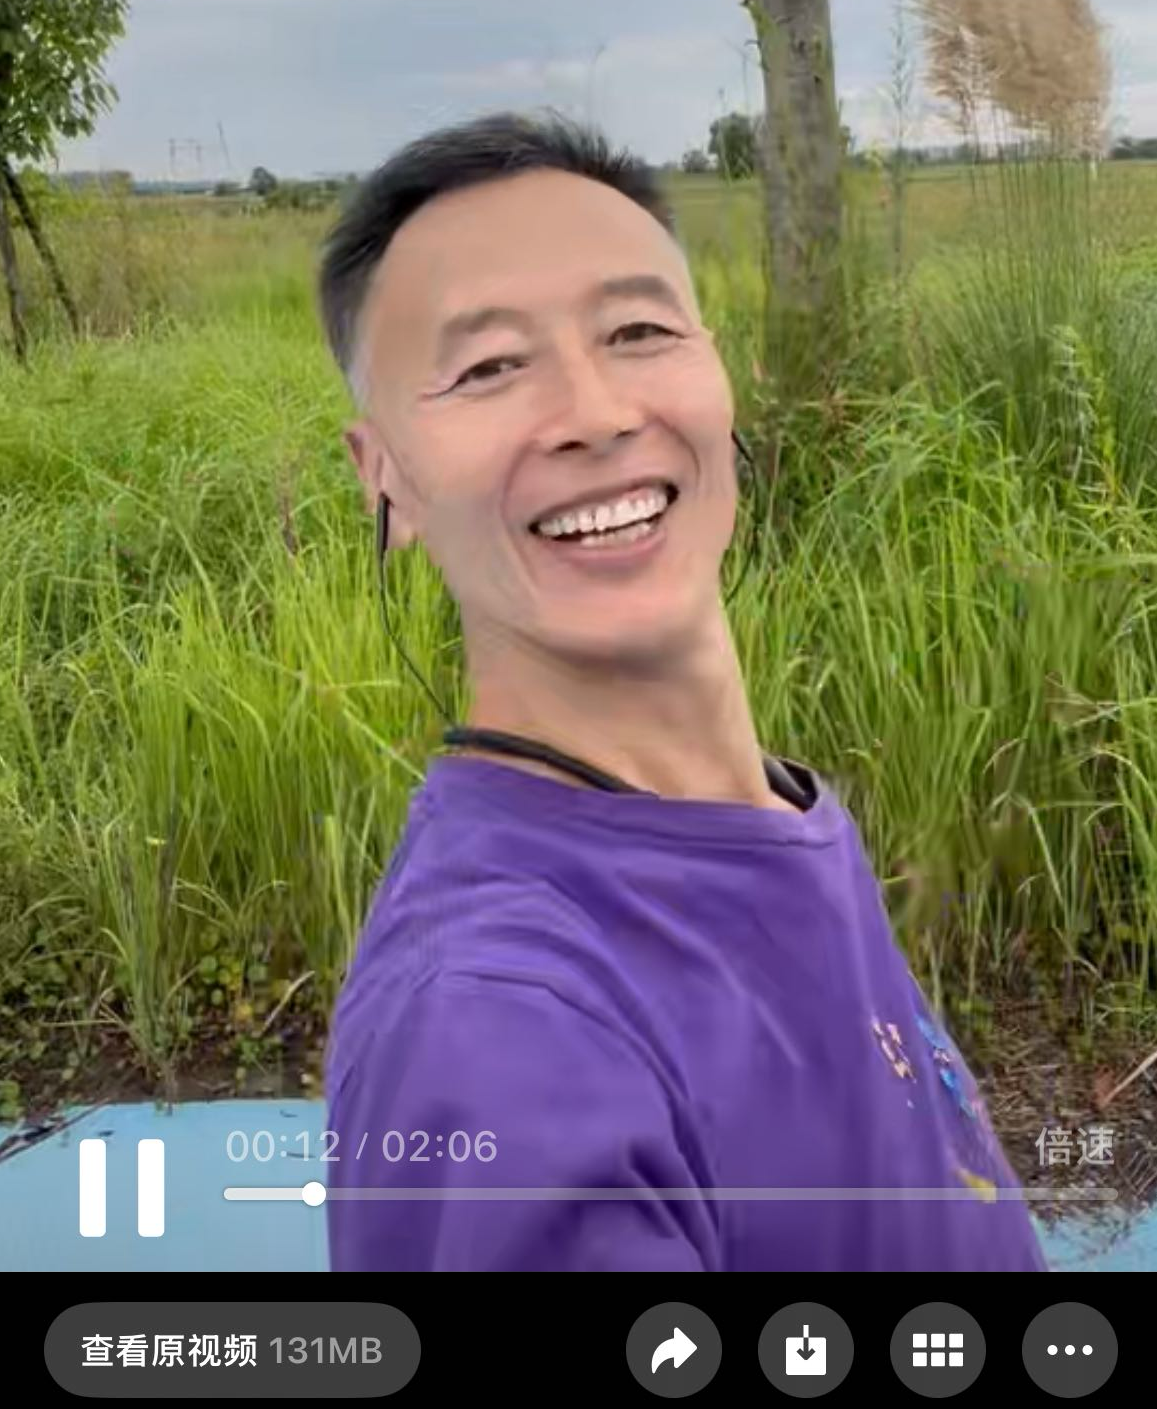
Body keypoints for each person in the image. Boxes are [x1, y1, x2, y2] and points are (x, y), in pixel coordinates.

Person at [317, 111, 1048, 1272]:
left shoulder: (766, 814)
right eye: (489, 367)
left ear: (721, 376)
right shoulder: (504, 1026)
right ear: (385, 479)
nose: (598, 414)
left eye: (639, 330)